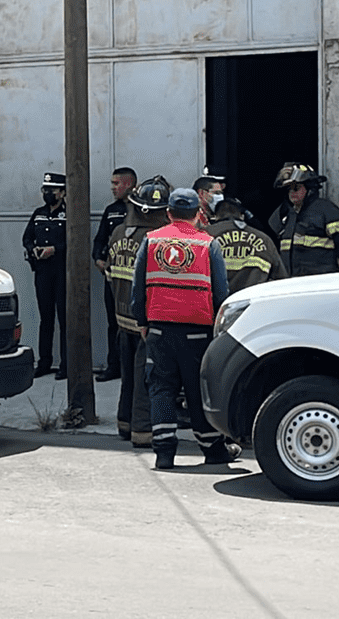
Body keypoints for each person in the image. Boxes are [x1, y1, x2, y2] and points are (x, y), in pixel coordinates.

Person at [131, 187, 237, 470]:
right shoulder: (208, 244)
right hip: (198, 332)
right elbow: (220, 292)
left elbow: (137, 287)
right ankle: (213, 450)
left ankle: (164, 453)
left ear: (168, 213)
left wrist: (142, 321)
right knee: (197, 390)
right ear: (198, 214)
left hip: (160, 329)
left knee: (161, 390)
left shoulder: (151, 241)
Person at [106, 175, 170, 447]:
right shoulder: (155, 240)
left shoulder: (119, 232)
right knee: (147, 380)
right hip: (147, 322)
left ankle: (125, 423)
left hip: (123, 320)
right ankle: (143, 432)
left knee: (127, 378)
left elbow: (110, 274)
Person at [268, 163, 339, 276]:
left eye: (296, 187)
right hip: (292, 280)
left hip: (319, 281)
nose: (292, 192)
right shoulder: (287, 214)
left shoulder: (324, 209)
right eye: (289, 189)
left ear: (309, 187)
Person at [92, 166, 137, 383]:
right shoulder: (111, 211)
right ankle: (114, 366)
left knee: (137, 324)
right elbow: (100, 240)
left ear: (128, 184)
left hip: (135, 280)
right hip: (113, 278)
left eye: (116, 184)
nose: (112, 188)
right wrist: (98, 259)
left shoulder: (141, 210)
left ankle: (135, 368)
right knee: (114, 323)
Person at [23, 172, 68, 380]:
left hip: (62, 271)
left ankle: (67, 364)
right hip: (42, 272)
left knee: (65, 319)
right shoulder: (38, 213)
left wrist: (55, 249)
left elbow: (75, 241)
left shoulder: (68, 214)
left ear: (62, 192)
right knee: (46, 318)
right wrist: (32, 248)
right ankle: (44, 362)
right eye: (45, 190)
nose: (48, 194)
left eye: (52, 190)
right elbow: (27, 237)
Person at [206, 197, 288, 293]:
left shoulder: (206, 235)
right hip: (253, 302)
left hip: (216, 303)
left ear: (216, 217)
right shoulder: (264, 239)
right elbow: (281, 279)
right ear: (242, 216)